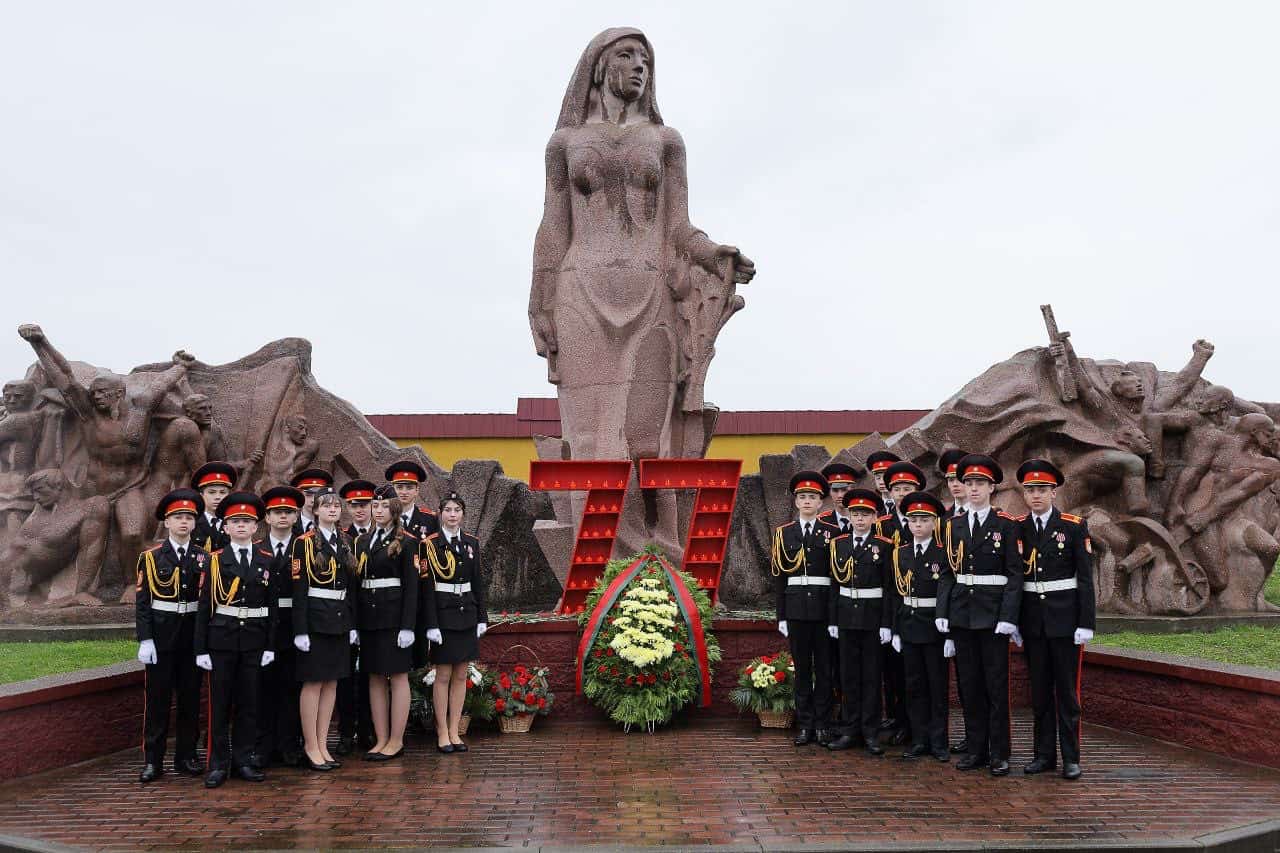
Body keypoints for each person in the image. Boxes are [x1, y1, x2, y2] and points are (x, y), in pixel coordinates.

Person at [937, 454, 1023, 776]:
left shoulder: (1006, 525)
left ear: (992, 488)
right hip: (961, 614)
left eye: (980, 484)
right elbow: (946, 573)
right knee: (969, 686)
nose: (973, 489)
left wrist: (1009, 616)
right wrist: (942, 612)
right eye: (969, 483)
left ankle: (999, 753)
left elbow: (1015, 575)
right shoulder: (951, 526)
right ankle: (976, 749)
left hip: (993, 616)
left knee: (996, 686)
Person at [1016, 459, 1095, 780]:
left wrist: (1086, 622)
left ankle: (1071, 758)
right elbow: (1016, 580)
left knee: (1066, 692)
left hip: (1065, 623)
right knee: (1038, 694)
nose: (1036, 495)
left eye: (1042, 490)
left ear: (1053, 492)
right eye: (1031, 490)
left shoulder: (1073, 526)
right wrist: (1017, 624)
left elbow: (1086, 580)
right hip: (1033, 624)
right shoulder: (1018, 527)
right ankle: (1043, 755)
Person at [194, 491, 275, 788]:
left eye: (247, 521)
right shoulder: (214, 561)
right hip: (222, 641)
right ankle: (217, 764)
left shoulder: (266, 560)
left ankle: (243, 760)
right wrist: (200, 648)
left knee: (248, 704)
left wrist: (269, 645)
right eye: (235, 522)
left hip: (253, 640)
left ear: (256, 527)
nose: (241, 526)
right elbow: (204, 607)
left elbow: (273, 606)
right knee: (219, 705)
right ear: (225, 528)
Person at [135, 488, 208, 783]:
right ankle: (153, 760)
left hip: (191, 637)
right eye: (177, 517)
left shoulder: (204, 557)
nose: (183, 522)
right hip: (162, 638)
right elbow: (143, 603)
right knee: (157, 702)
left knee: (191, 699)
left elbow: (206, 604)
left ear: (194, 523)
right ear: (166, 522)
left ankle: (186, 756)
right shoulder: (151, 558)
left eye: (188, 517)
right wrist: (145, 639)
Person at [771, 471, 840, 747]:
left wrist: (835, 616)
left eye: (812, 497)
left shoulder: (833, 533)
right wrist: (782, 615)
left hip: (823, 609)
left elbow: (836, 579)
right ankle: (805, 724)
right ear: (796, 502)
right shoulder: (783, 533)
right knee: (802, 669)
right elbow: (778, 577)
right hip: (796, 607)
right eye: (803, 497)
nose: (807, 501)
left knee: (824, 669)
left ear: (821, 502)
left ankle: (823, 724)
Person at [291, 487, 358, 771]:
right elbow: (299, 589)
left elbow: (351, 586)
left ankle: (322, 742)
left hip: (340, 620)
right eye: (326, 505)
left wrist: (353, 624)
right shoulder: (303, 543)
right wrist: (300, 630)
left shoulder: (345, 541)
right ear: (315, 510)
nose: (332, 510)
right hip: (315, 621)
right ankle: (310, 745)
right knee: (314, 682)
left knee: (332, 682)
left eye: (336, 506)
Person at [354, 484, 419, 761]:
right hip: (370, 618)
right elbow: (357, 585)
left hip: (394, 618)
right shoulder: (362, 541)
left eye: (383, 506)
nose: (377, 510)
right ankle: (381, 738)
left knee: (398, 676)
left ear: (394, 509)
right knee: (375, 677)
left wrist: (407, 626)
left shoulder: (407, 541)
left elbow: (412, 587)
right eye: (374, 505)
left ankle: (396, 739)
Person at [825, 487, 891, 755]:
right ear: (849, 516)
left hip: (873, 618)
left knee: (872, 676)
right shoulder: (838, 544)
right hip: (846, 617)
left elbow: (889, 589)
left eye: (865, 514)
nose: (860, 519)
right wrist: (832, 619)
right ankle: (850, 729)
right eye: (855, 514)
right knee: (848, 676)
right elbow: (832, 585)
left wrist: (886, 623)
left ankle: (871, 731)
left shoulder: (884, 547)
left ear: (874, 517)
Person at [421, 491, 487, 754]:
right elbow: (427, 588)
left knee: (461, 674)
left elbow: (478, 583)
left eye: (457, 510)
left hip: (466, 614)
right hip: (443, 615)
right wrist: (431, 623)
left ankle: (454, 729)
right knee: (443, 674)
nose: (452, 515)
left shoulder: (471, 542)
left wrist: (482, 617)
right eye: (447, 510)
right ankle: (441, 731)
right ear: (440, 513)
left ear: (462, 514)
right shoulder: (430, 544)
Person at [891, 491, 952, 762]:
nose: (917, 524)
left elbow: (947, 591)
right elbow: (894, 594)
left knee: (937, 685)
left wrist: (949, 631)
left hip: (934, 626)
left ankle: (939, 742)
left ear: (934, 523)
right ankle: (919, 739)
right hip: (909, 624)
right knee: (914, 685)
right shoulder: (900, 554)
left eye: (924, 520)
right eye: (913, 520)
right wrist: (893, 629)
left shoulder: (943, 552)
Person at [254, 485, 305, 769]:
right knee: (263, 688)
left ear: (296, 517)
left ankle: (289, 744)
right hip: (263, 627)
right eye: (277, 512)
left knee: (291, 688)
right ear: (267, 517)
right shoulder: (257, 548)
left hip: (294, 626)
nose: (283, 516)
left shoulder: (305, 546)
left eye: (288, 512)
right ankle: (263, 746)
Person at [336, 479, 379, 754]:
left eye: (365, 505)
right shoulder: (342, 537)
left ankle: (368, 730)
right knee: (344, 677)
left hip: (375, 615)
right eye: (354, 505)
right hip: (345, 616)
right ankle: (345, 733)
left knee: (370, 675)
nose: (360, 510)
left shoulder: (381, 535)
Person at [936, 447, 970, 756]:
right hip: (953, 611)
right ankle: (967, 737)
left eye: (961, 478)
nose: (956, 484)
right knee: (963, 680)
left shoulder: (995, 517)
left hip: (984, 612)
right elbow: (943, 572)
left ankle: (981, 738)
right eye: (950, 479)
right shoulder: (941, 520)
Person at [191, 461, 237, 554]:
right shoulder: (192, 522)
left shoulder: (236, 522)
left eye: (222, 492)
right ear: (202, 495)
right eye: (212, 492)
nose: (218, 497)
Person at [385, 462, 440, 539]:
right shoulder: (384, 517)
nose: (404, 492)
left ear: (417, 490)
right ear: (392, 490)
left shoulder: (430, 519)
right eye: (399, 487)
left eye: (409, 487)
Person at [818, 463, 859, 533]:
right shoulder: (820, 522)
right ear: (830, 492)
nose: (840, 495)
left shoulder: (865, 520)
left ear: (853, 490)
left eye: (844, 490)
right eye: (835, 490)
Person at [290, 469, 333, 535]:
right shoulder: (288, 527)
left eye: (318, 495)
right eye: (308, 495)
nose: (313, 500)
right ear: (300, 496)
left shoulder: (334, 528)